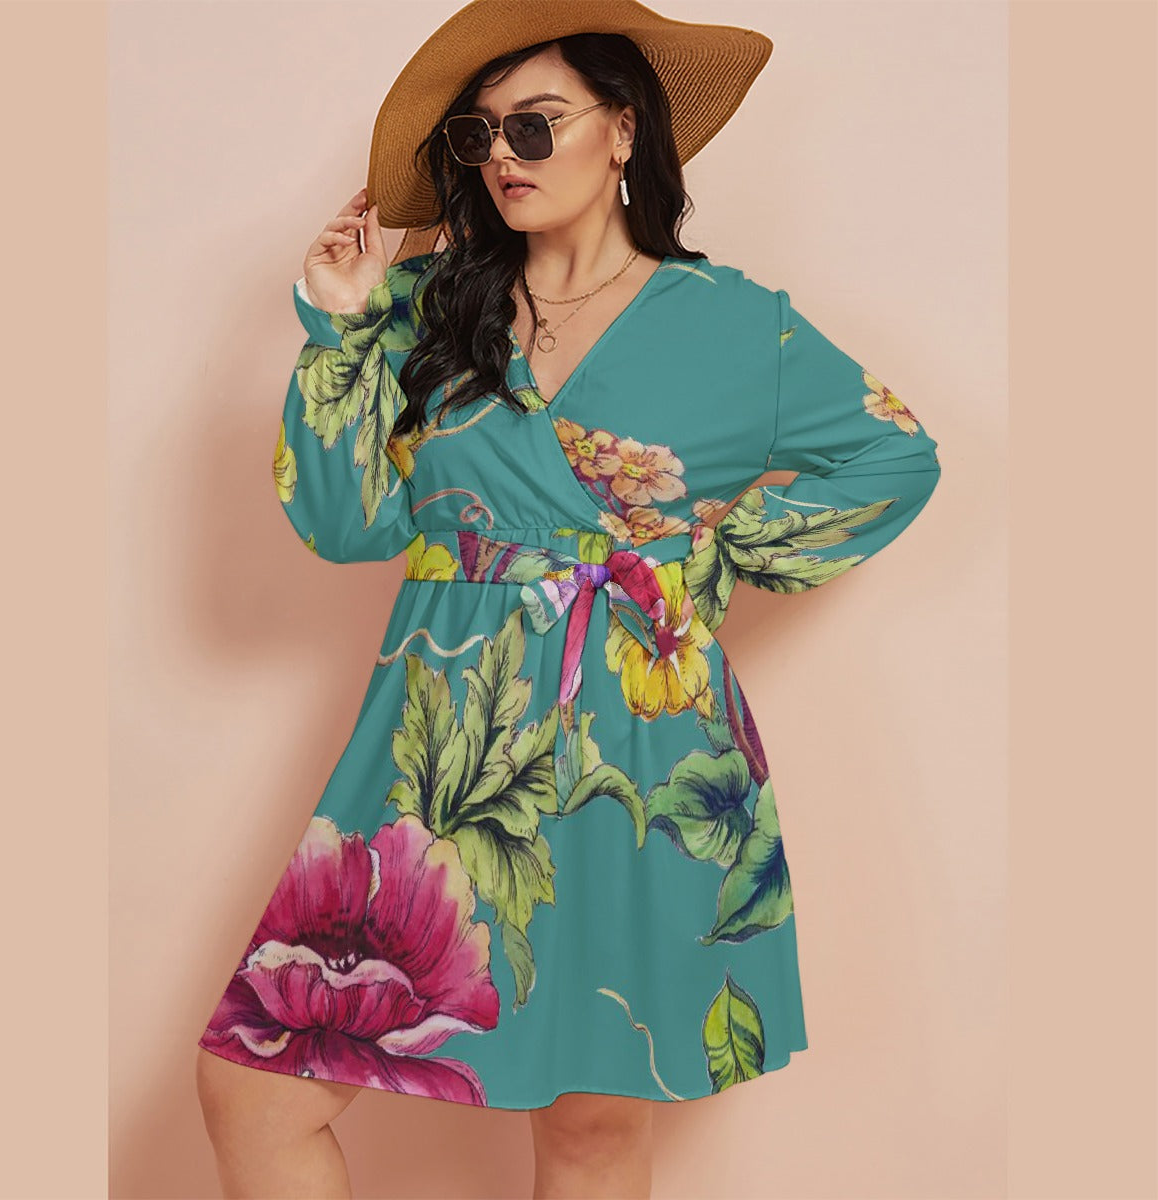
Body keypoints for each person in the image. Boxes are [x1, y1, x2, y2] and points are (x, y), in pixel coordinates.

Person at [194, 2, 943, 1197]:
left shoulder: (735, 324)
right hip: (440, 741)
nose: (501, 155)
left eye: (534, 126)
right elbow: (347, 524)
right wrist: (338, 327)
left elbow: (894, 456)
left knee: (592, 1129)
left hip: (635, 745)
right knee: (254, 1089)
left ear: (623, 129)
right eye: (479, 134)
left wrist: (708, 560)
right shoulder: (425, 305)